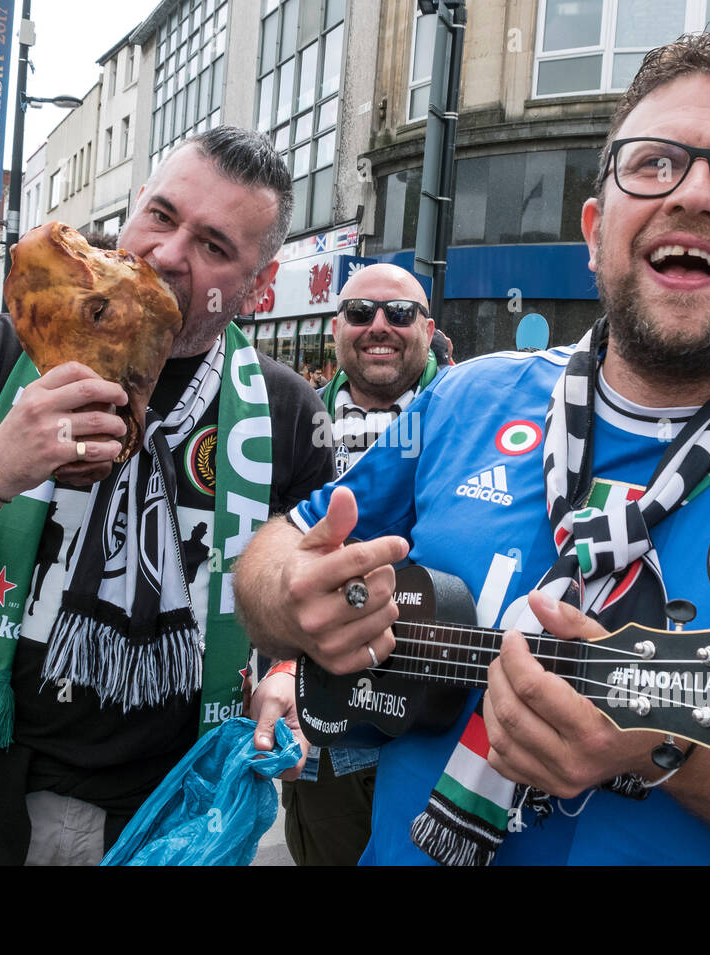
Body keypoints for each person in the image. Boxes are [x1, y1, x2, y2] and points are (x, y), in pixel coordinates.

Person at [234, 33, 710, 865]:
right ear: (596, 229)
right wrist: (289, 594)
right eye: (652, 163)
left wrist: (670, 748)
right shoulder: (464, 399)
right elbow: (277, 550)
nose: (694, 196)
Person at [0, 126, 334, 865]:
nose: (167, 253)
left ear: (258, 287)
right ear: (135, 208)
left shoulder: (288, 413)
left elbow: (310, 612)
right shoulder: (4, 351)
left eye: (213, 246)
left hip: (173, 810)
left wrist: (290, 675)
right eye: (162, 217)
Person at [251, 263, 440, 865]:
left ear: (429, 329)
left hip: (433, 719)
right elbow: (270, 559)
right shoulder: (288, 422)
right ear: (337, 327)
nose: (379, 326)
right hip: (323, 713)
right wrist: (281, 663)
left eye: (400, 313)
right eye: (361, 312)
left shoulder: (472, 422)